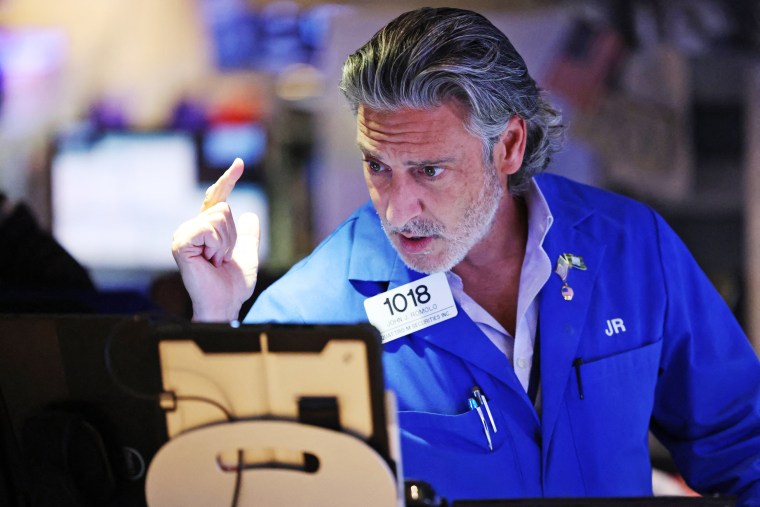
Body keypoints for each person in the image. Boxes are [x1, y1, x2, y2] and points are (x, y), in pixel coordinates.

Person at [172, 7, 760, 504]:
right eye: (378, 166)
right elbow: (227, 487)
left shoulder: (630, 249)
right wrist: (216, 326)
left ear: (508, 145)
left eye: (429, 170)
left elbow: (746, 447)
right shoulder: (309, 312)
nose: (399, 209)